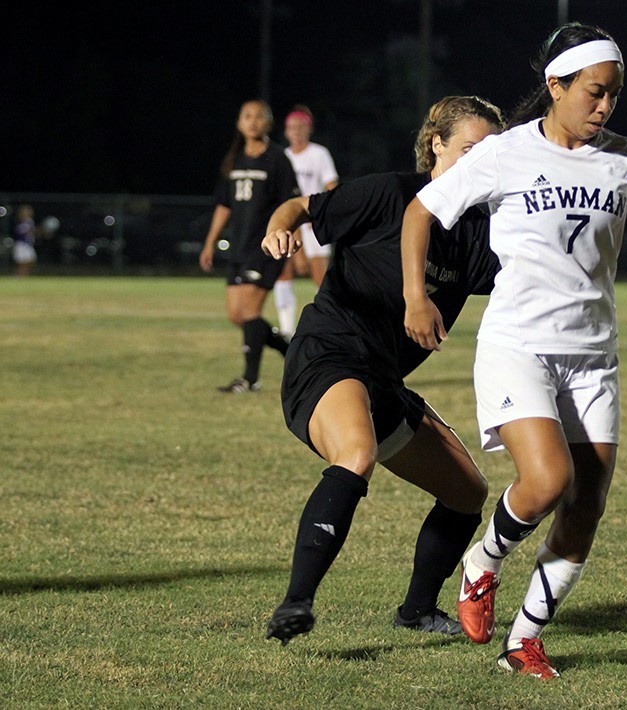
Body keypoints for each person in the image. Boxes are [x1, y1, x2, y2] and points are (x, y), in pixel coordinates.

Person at [401, 22, 627, 679]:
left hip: (593, 354)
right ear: (555, 85)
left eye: (613, 95)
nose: (604, 106)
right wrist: (417, 297)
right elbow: (422, 212)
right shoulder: (505, 154)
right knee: (549, 481)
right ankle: (484, 561)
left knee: (586, 504)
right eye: (593, 92)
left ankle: (523, 641)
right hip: (518, 345)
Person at [261, 95, 505, 646]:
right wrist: (281, 230)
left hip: (385, 380)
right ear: (436, 144)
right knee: (357, 453)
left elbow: (524, 275)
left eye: (492, 153)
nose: (481, 161)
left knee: (467, 491)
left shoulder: (477, 231)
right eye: (470, 148)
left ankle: (417, 611)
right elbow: (299, 209)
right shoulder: (391, 194)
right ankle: (296, 601)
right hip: (330, 355)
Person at [199, 99, 300, 393]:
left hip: (266, 247)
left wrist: (294, 240)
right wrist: (210, 243)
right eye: (247, 116)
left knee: (250, 311)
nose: (253, 121)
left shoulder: (277, 159)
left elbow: (292, 203)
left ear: (268, 123)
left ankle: (249, 379)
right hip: (239, 248)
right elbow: (223, 205)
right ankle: (287, 347)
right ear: (239, 123)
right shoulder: (234, 160)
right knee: (237, 315)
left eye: (259, 117)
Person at [274, 105, 341, 338]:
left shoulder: (319, 154)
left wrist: (326, 212)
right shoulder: (283, 158)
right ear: (286, 131)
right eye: (292, 127)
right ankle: (286, 330)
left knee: (320, 276)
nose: (297, 131)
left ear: (309, 129)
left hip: (313, 224)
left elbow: (331, 184)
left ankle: (329, 326)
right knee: (284, 273)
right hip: (292, 224)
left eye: (301, 127)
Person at [13, 205, 39, 277]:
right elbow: (24, 232)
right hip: (22, 244)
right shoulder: (21, 221)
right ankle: (19, 276)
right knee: (23, 262)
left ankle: (23, 275)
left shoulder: (30, 221)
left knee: (31, 261)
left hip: (28, 244)